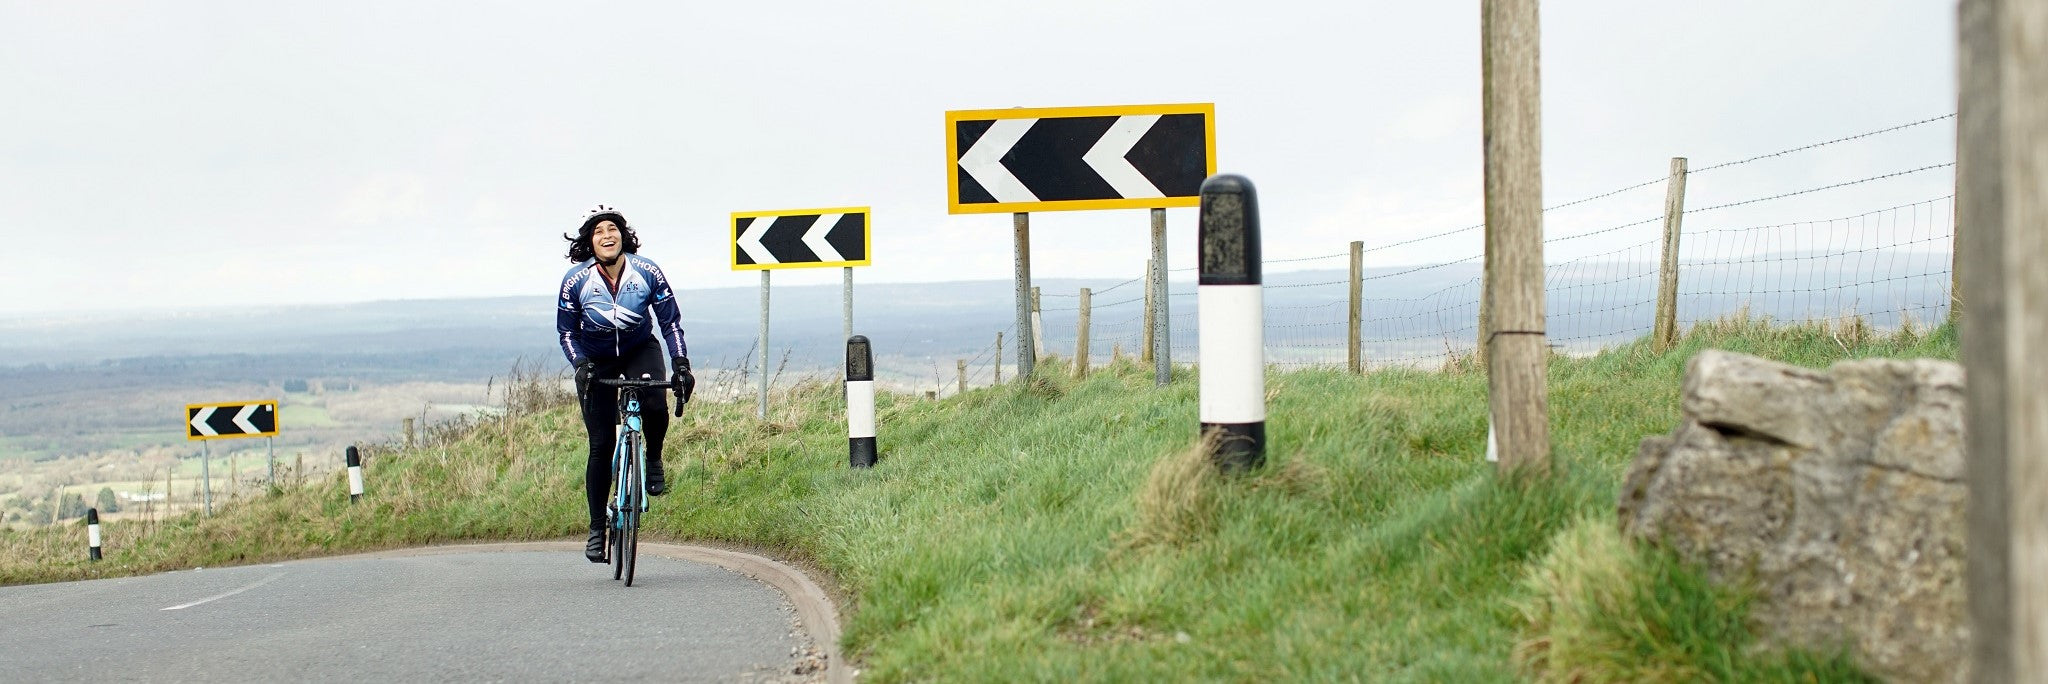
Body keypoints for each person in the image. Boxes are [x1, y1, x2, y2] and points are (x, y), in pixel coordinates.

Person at [556, 205, 696, 563]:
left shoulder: (647, 271)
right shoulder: (576, 281)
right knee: (601, 444)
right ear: (590, 242)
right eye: (599, 231)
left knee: (653, 403)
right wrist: (581, 365)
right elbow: (567, 332)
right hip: (596, 359)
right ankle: (596, 528)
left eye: (613, 229)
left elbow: (670, 323)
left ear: (623, 237)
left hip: (638, 349)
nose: (607, 235)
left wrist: (680, 363)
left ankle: (653, 457)